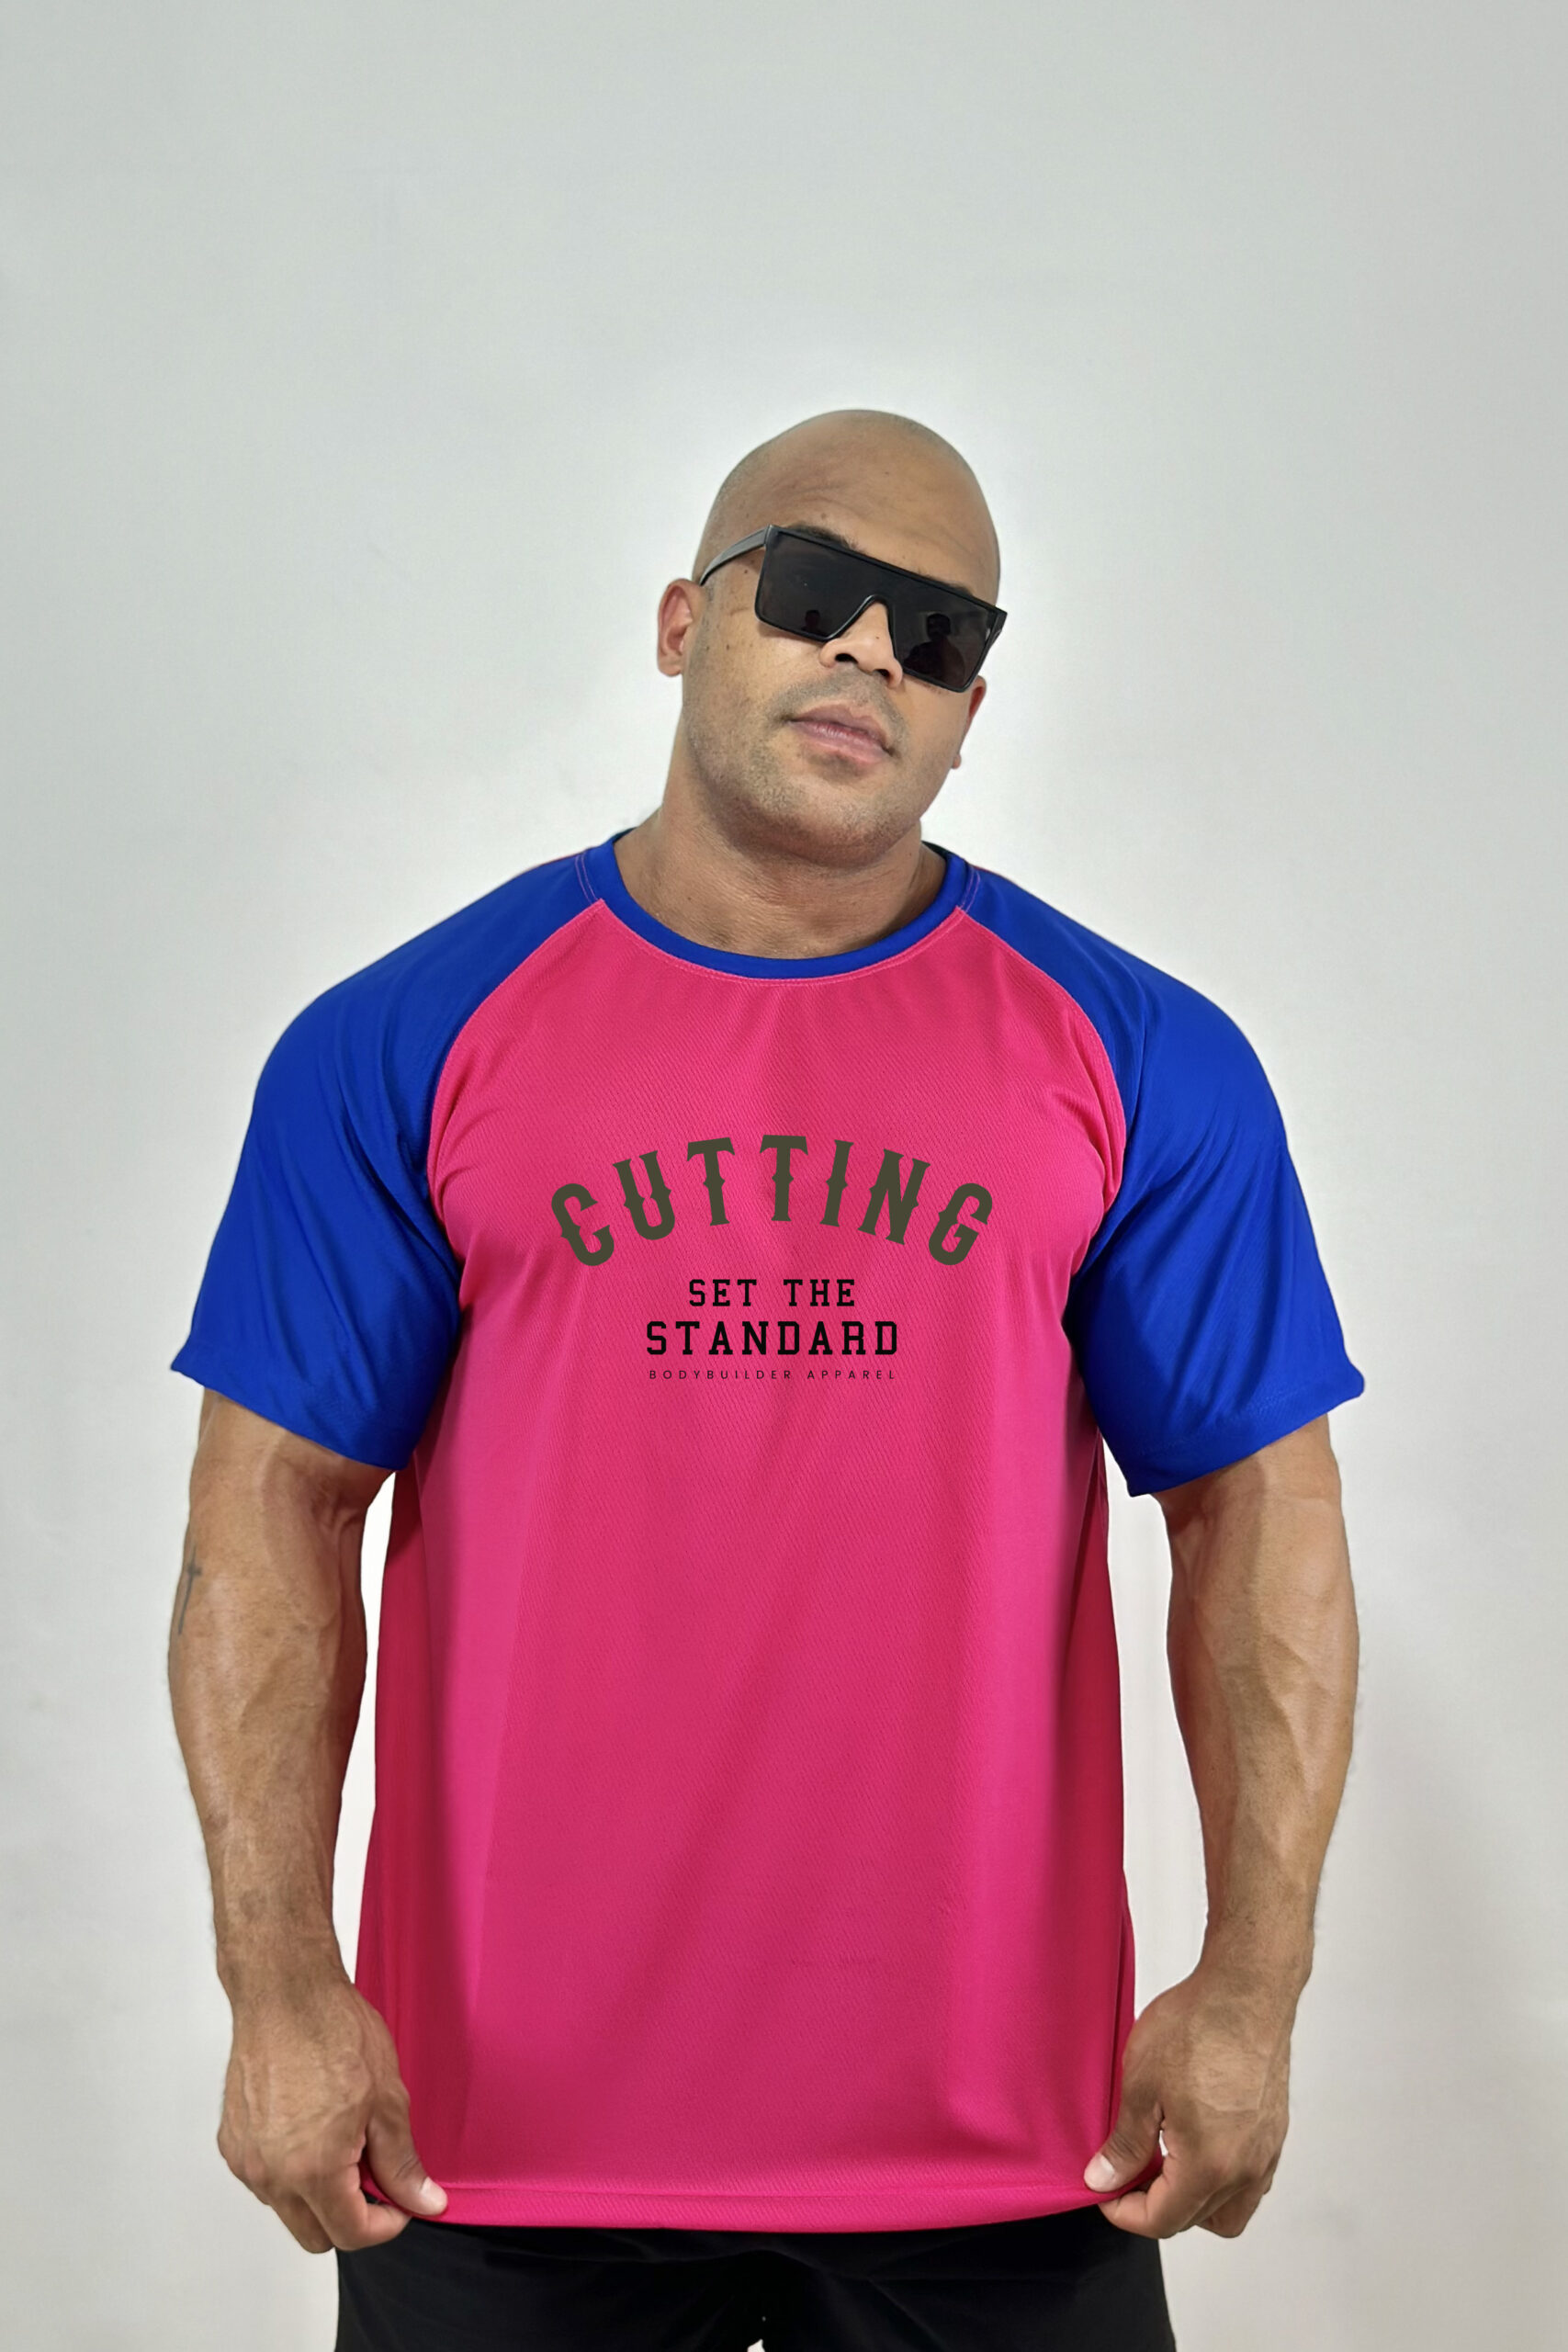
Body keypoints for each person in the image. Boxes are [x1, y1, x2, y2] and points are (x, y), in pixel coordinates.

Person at [168, 408, 1362, 2352]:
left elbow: (1260, 1514)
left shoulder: (1139, 1055)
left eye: (937, 631)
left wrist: (1253, 1985)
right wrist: (279, 1985)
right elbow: (270, 1508)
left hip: (1008, 2158)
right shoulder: (400, 1038)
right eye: (813, 591)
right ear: (680, 622)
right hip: (493, 2151)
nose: (869, 650)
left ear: (972, 707)